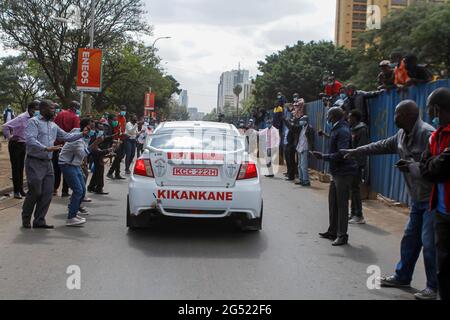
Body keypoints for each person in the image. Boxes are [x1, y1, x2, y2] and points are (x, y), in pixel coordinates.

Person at [341, 100, 437, 300]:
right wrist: (356, 151)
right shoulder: (401, 135)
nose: (394, 118)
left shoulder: (427, 134)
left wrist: (412, 165)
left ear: (409, 116)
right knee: (410, 240)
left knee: (429, 244)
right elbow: (381, 145)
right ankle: (402, 276)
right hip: (416, 199)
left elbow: (437, 167)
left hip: (431, 199)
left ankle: (432, 287)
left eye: (397, 114)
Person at [22, 100, 83, 229]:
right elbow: (30, 139)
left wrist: (83, 134)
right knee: (35, 191)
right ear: (43, 109)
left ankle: (39, 220)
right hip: (34, 161)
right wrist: (45, 148)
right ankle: (26, 218)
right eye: (51, 109)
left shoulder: (53, 125)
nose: (54, 111)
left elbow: (67, 136)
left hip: (48, 162)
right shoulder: (34, 122)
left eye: (54, 109)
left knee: (47, 192)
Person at [312, 107, 358, 246]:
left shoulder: (342, 130)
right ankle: (332, 231)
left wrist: (323, 157)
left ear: (333, 116)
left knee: (342, 205)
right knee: (333, 202)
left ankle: (342, 235)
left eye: (328, 116)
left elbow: (342, 153)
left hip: (343, 173)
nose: (327, 118)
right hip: (336, 172)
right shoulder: (337, 128)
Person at [420, 87, 450, 300]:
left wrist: (434, 164)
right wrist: (436, 163)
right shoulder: (435, 137)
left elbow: (437, 167)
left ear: (437, 109)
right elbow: (426, 169)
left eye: (431, 109)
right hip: (441, 211)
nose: (429, 113)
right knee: (444, 267)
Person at [59, 118, 105, 226]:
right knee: (78, 190)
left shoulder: (84, 135)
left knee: (82, 190)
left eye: (94, 128)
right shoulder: (77, 139)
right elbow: (83, 153)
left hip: (75, 164)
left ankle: (74, 210)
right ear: (84, 128)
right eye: (91, 128)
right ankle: (71, 217)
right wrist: (96, 143)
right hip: (67, 164)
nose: (93, 130)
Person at [2, 101, 38, 199]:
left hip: (23, 144)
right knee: (16, 168)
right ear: (31, 109)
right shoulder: (21, 118)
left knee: (21, 167)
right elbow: (5, 126)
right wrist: (10, 137)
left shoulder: (33, 119)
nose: (37, 111)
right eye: (36, 109)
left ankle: (21, 189)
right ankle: (16, 191)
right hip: (15, 144)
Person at [53, 101, 81, 197]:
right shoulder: (75, 117)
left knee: (56, 169)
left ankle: (54, 189)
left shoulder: (60, 114)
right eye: (78, 108)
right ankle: (65, 191)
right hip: (68, 146)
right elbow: (76, 133)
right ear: (74, 108)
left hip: (56, 144)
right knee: (67, 167)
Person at [347, 110, 369, 224]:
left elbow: (361, 149)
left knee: (355, 189)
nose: (348, 119)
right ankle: (353, 214)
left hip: (357, 164)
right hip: (352, 163)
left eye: (350, 117)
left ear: (355, 118)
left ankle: (359, 215)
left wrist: (357, 164)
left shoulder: (362, 130)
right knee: (352, 189)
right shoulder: (353, 129)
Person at [87, 121, 113, 195]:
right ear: (95, 128)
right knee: (100, 170)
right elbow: (95, 149)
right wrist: (107, 150)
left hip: (98, 152)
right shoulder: (93, 135)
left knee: (97, 171)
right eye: (100, 126)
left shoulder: (99, 134)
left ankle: (91, 186)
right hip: (95, 153)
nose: (102, 128)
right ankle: (99, 188)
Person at [107, 105, 127, 180]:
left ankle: (117, 173)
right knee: (118, 156)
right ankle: (110, 172)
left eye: (125, 110)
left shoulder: (124, 118)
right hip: (116, 139)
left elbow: (123, 129)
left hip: (122, 139)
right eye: (122, 109)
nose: (123, 111)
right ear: (120, 110)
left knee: (119, 157)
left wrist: (124, 134)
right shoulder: (116, 118)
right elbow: (115, 129)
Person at [295, 115, 314, 187]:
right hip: (299, 148)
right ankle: (301, 179)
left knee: (304, 166)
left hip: (305, 148)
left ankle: (306, 181)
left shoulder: (310, 128)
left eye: (302, 120)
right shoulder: (301, 128)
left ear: (306, 121)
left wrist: (311, 149)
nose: (301, 121)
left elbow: (311, 140)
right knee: (299, 165)